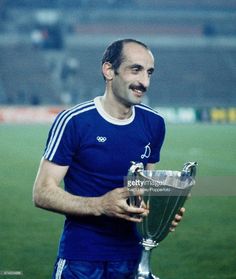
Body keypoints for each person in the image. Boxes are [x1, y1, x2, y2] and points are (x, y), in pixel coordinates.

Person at [33, 38, 184, 279]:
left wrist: (161, 212)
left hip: (132, 258)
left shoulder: (154, 123)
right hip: (81, 258)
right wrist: (100, 205)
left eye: (149, 72)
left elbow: (142, 189)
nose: (144, 81)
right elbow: (41, 193)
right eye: (135, 69)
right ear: (108, 70)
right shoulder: (74, 121)